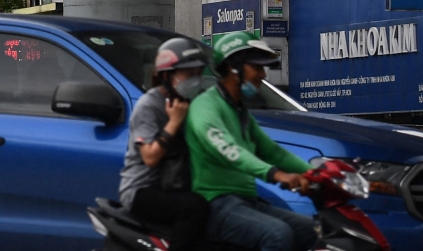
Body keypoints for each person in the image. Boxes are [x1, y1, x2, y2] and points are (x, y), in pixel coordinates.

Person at [186, 32, 314, 251]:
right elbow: (229, 150)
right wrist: (276, 174)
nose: (263, 74)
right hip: (216, 203)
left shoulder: (240, 111)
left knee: (312, 230)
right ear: (234, 68)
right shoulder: (205, 107)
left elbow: (274, 152)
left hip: (247, 201)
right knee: (277, 234)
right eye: (257, 67)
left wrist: (318, 173)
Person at [116, 37, 211, 250]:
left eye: (198, 73)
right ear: (167, 76)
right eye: (188, 74)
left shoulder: (192, 101)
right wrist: (174, 122)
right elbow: (149, 158)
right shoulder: (149, 106)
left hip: (178, 182)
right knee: (194, 208)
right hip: (143, 188)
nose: (195, 80)